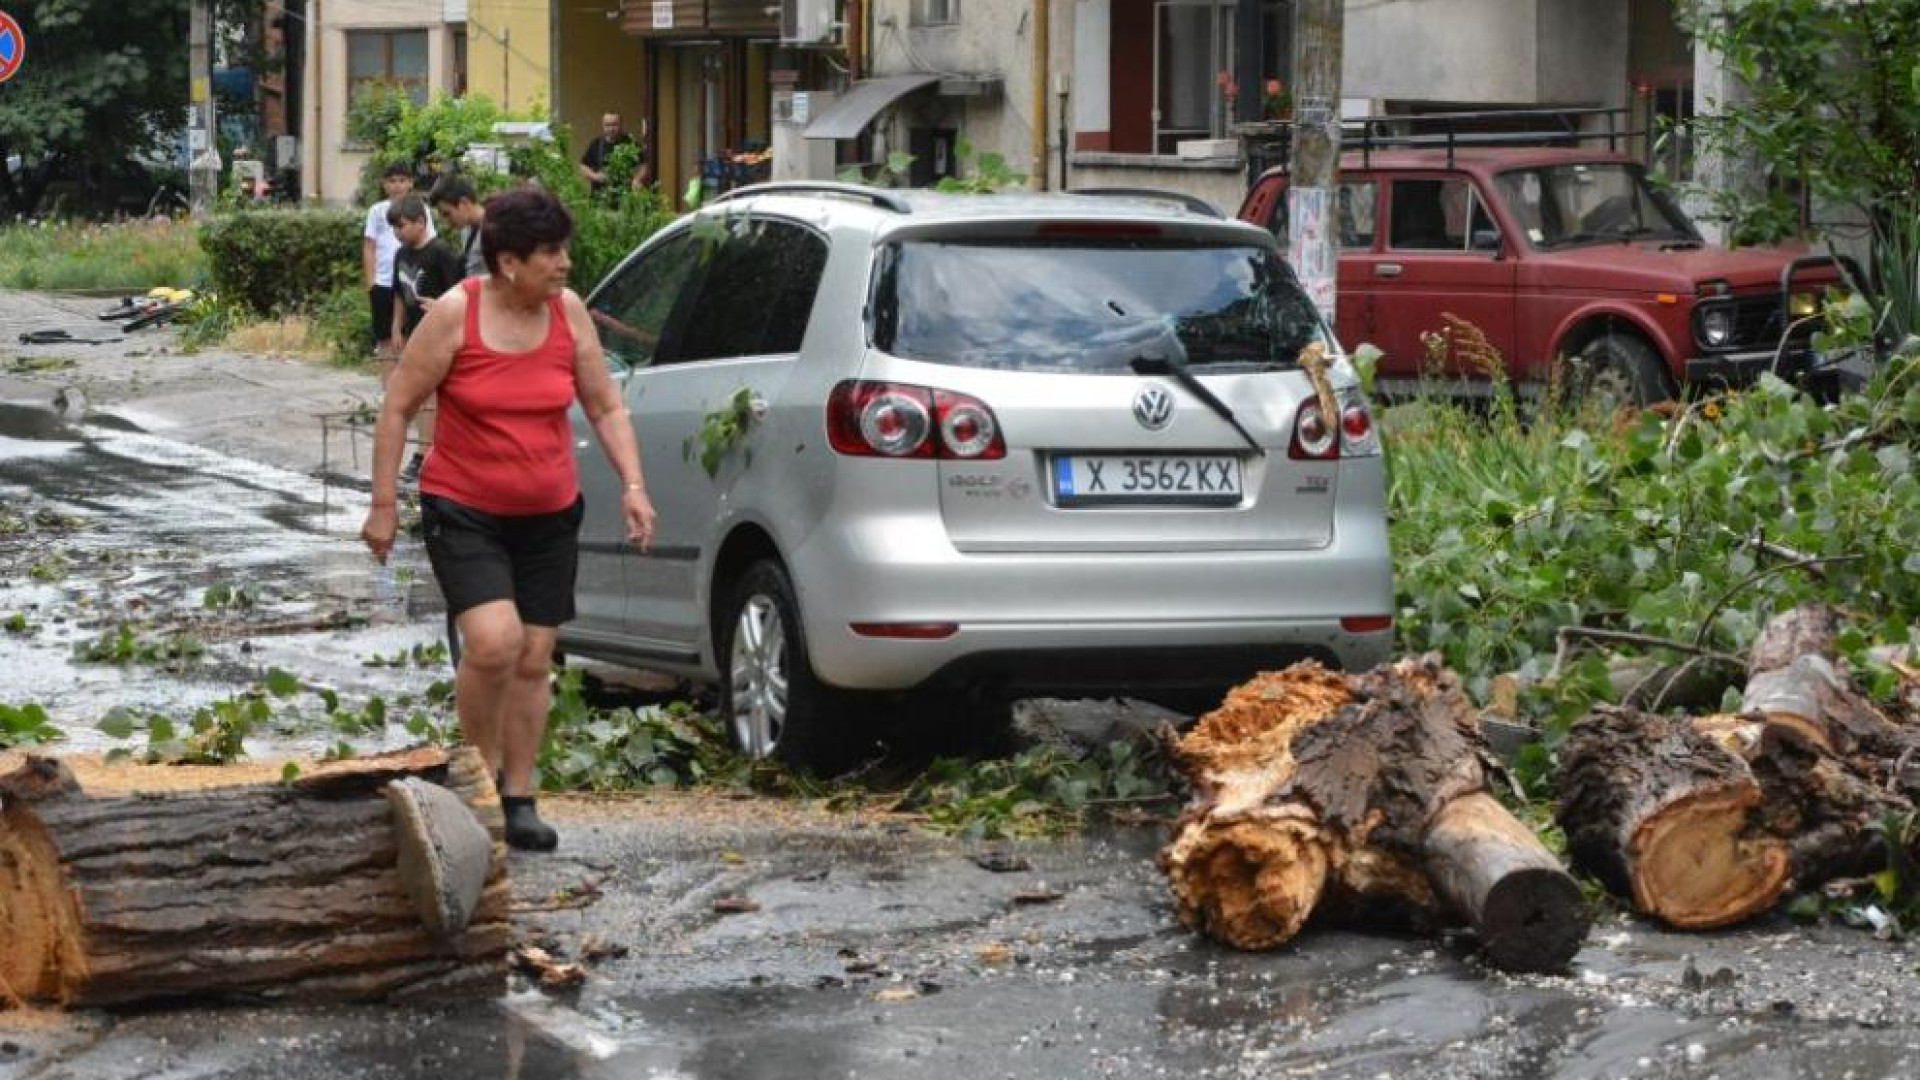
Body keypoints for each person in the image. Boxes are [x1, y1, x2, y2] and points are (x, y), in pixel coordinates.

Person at [359, 187, 656, 852]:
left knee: (534, 656)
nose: (565, 264)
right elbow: (399, 406)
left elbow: (606, 407)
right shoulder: (458, 315)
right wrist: (383, 504)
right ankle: (477, 779)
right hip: (464, 507)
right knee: (494, 643)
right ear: (509, 262)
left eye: (563, 250)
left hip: (548, 513)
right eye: (551, 253)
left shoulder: (568, 315)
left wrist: (633, 486)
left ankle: (519, 796)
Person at [364, 163, 436, 480]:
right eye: (391, 180)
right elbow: (369, 245)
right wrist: (371, 282)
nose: (397, 185)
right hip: (388, 284)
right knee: (388, 343)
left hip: (415, 289)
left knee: (416, 357)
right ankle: (391, 396)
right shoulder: (378, 211)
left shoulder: (428, 231)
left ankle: (423, 442)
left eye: (402, 180)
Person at [429, 174, 489, 280]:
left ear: (464, 203)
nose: (446, 222)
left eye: (447, 214)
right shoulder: (466, 229)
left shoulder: (496, 230)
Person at [578, 112, 651, 192]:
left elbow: (644, 165)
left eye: (614, 124)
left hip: (624, 195)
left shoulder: (630, 143)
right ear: (603, 126)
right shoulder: (596, 144)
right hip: (600, 197)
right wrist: (595, 176)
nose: (611, 129)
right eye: (607, 125)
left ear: (621, 125)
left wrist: (637, 179)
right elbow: (583, 166)